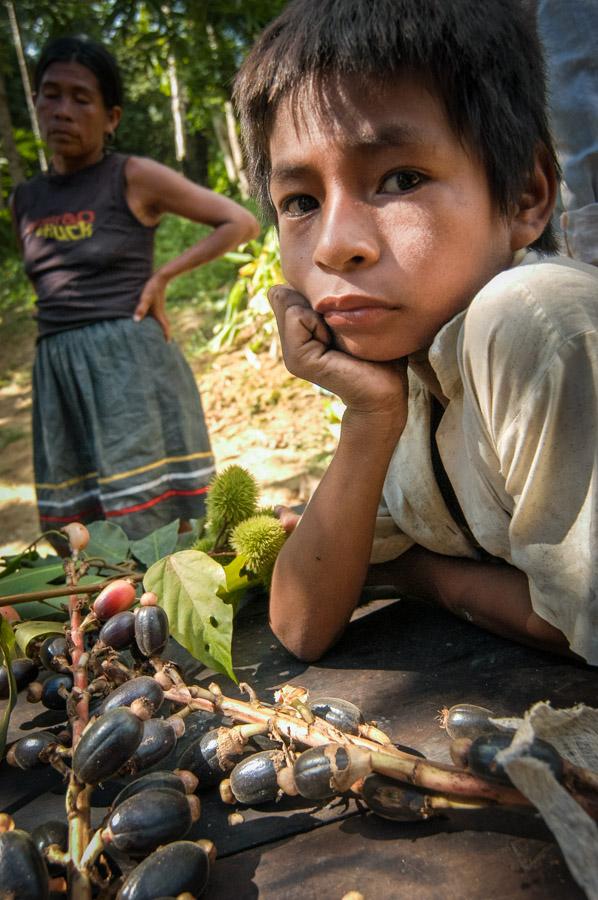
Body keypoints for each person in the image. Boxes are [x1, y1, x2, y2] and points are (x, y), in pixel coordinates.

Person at [233, 0, 598, 665]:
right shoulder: (406, 365)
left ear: (524, 196)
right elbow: (300, 622)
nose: (337, 246)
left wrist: (419, 575)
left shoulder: (532, 320)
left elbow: (581, 617)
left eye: (401, 180)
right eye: (301, 203)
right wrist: (369, 415)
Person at [11, 37, 259, 541]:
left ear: (112, 117)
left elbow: (238, 222)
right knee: (82, 529)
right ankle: (100, 613)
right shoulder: (26, 199)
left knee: (154, 522)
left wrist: (164, 275)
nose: (63, 110)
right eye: (50, 95)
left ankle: (168, 608)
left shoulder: (132, 176)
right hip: (58, 372)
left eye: (82, 98)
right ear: (34, 102)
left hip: (129, 367)